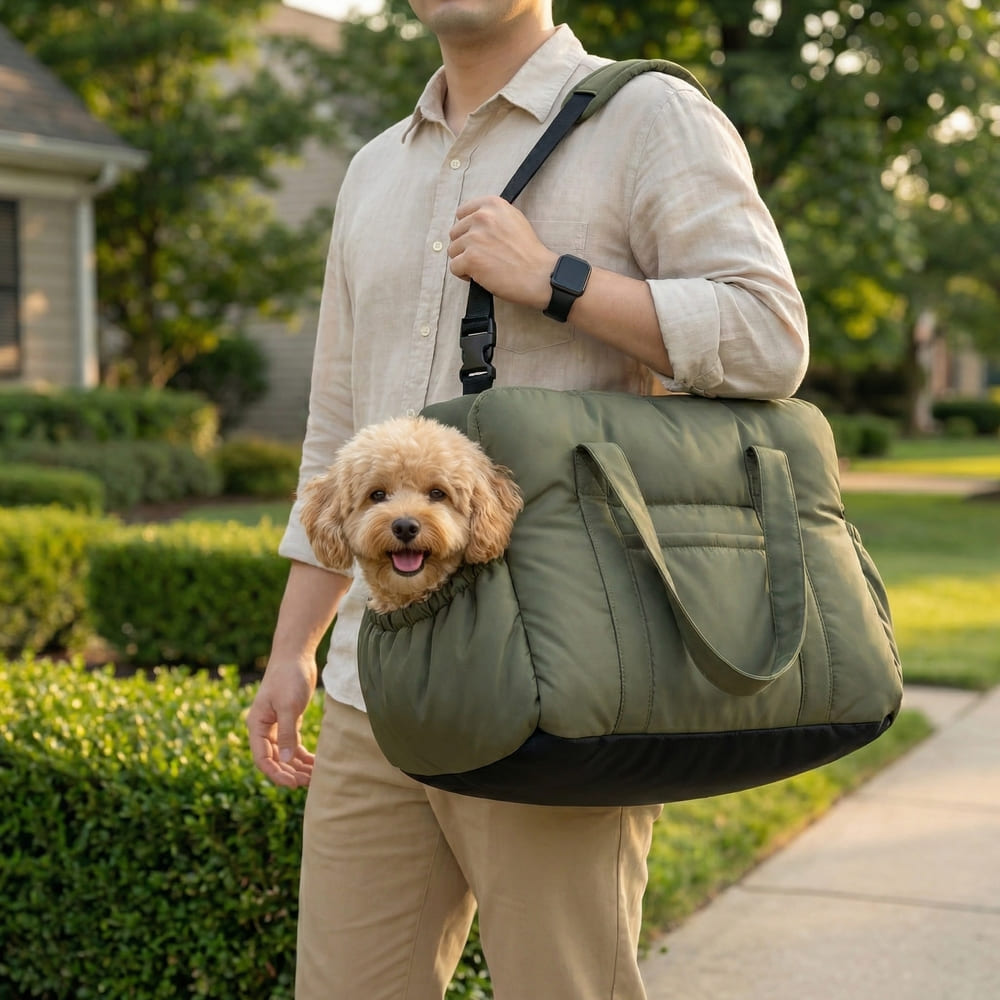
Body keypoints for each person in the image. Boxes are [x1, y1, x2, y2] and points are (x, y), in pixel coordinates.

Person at [247, 0, 809, 996]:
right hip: (376, 687)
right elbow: (336, 434)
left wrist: (554, 278)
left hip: (559, 678)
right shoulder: (374, 168)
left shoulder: (648, 116)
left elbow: (770, 336)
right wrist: (295, 648)